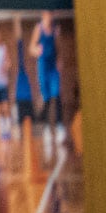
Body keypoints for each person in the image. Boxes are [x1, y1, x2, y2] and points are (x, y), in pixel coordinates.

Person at [35, 10, 64, 145]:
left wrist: (59, 60)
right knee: (46, 99)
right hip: (43, 67)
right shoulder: (38, 28)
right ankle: (46, 127)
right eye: (47, 15)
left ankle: (59, 127)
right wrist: (37, 50)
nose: (49, 18)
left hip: (53, 68)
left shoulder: (55, 29)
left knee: (56, 95)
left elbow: (58, 48)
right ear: (43, 16)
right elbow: (31, 48)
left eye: (51, 15)